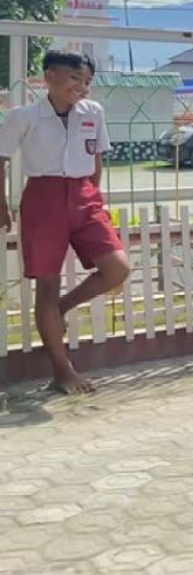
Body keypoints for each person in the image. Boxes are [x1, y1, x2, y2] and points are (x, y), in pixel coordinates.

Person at [0, 50, 131, 395]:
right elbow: (1, 160)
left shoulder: (93, 112)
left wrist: (94, 198)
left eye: (87, 81)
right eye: (75, 78)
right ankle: (62, 370)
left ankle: (62, 308)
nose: (82, 87)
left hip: (84, 195)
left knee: (116, 267)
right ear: (50, 77)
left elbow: (96, 158)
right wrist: (1, 203)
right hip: (43, 198)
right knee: (46, 283)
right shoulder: (23, 117)